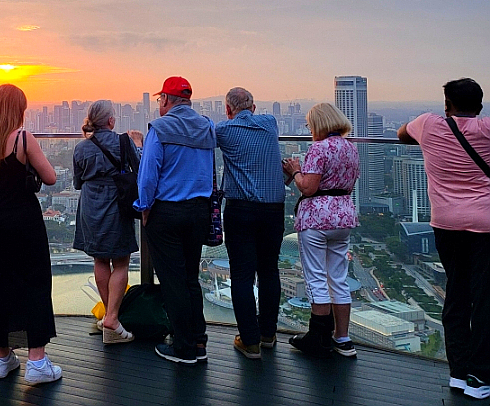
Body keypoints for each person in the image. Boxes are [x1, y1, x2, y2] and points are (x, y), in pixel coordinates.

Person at [397, 78, 490, 399]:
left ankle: (459, 373)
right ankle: (480, 375)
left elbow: (401, 134)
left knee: (456, 294)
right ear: (479, 105)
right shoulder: (488, 128)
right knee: (485, 299)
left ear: (447, 104)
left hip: (446, 225)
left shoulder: (428, 124)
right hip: (485, 226)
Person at [0, 84, 60, 384]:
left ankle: (2, 358)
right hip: (24, 222)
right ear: (16, 110)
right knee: (34, 283)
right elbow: (51, 177)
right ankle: (37, 361)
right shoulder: (22, 138)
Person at [134, 76, 214, 364]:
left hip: (166, 213)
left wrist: (144, 208)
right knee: (191, 278)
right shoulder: (207, 126)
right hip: (199, 212)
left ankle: (183, 348)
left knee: (172, 281)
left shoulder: (160, 128)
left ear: (166, 100)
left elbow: (148, 173)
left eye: (160, 100)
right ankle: (199, 341)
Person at [282, 102, 359, 358]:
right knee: (338, 277)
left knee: (316, 277)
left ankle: (318, 336)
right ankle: (343, 338)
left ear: (318, 124)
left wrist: (295, 172)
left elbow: (308, 188)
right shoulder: (351, 148)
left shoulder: (319, 148)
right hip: (343, 216)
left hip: (317, 218)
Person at [215, 87, 285, 359]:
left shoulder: (224, 130)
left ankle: (250, 341)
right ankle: (268, 334)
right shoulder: (270, 123)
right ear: (254, 107)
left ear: (228, 110)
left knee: (242, 275)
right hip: (273, 210)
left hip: (240, 210)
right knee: (269, 270)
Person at [72, 100, 140, 344]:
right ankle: (112, 317)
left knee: (100, 259)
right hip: (116, 203)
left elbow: (77, 182)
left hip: (90, 204)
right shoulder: (123, 141)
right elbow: (139, 168)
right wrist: (139, 145)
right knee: (120, 261)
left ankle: (110, 316)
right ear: (111, 121)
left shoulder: (81, 148)